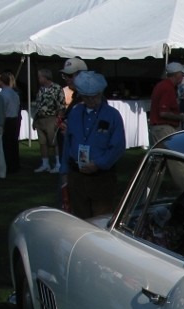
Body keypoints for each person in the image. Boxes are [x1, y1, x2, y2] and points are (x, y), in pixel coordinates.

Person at [64, 70, 126, 219]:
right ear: (81, 96)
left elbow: (118, 146)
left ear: (101, 93)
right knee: (79, 219)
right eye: (87, 97)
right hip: (77, 175)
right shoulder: (75, 112)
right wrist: (65, 170)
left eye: (95, 96)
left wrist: (98, 163)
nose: (92, 100)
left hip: (101, 177)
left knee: (101, 219)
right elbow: (68, 142)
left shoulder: (112, 115)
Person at [148, 63, 184, 189]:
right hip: (164, 128)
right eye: (181, 74)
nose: (183, 76)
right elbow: (163, 112)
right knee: (178, 163)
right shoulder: (167, 88)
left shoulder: (163, 86)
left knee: (158, 165)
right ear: (176, 75)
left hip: (158, 128)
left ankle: (148, 195)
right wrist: (181, 117)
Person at [57, 57, 88, 211]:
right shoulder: (76, 98)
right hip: (69, 160)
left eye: (71, 75)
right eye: (66, 76)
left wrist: (70, 130)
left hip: (80, 165)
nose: (67, 79)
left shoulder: (89, 100)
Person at [31, 68, 65, 173]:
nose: (39, 79)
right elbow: (38, 105)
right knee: (42, 143)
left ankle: (58, 163)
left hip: (52, 118)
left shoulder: (57, 88)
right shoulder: (41, 89)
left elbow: (61, 105)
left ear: (45, 77)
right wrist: (35, 120)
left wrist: (59, 120)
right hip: (40, 118)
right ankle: (45, 164)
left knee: (54, 142)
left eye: (40, 77)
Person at [0, 72, 21, 173]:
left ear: (2, 82)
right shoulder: (14, 93)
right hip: (15, 119)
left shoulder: (2, 94)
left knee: (6, 144)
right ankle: (15, 164)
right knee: (13, 143)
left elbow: (2, 111)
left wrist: (1, 125)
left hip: (7, 120)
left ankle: (8, 165)